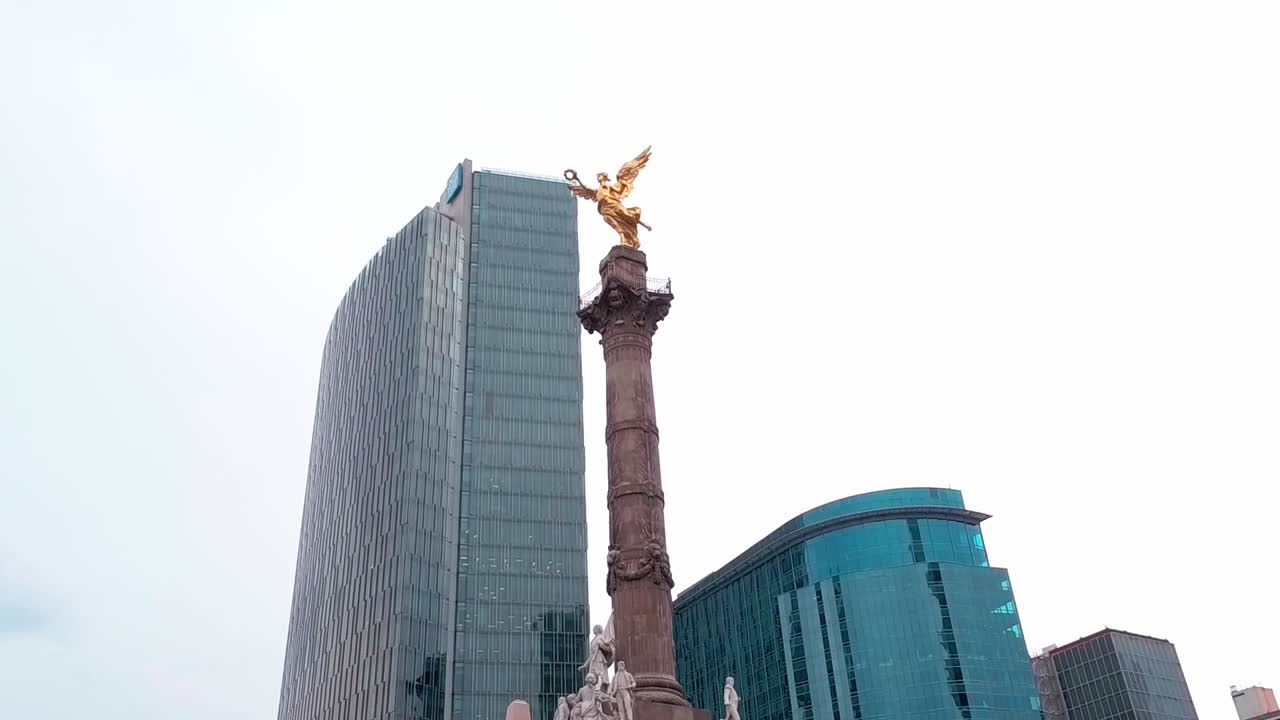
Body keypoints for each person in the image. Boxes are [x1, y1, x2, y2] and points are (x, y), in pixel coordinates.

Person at [578, 623, 614, 689]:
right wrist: (585, 665)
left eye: (594, 629)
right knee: (592, 676)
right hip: (593, 659)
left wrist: (601, 644)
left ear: (598, 629)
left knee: (600, 676)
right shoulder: (593, 640)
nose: (593, 630)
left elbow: (606, 647)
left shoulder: (601, 637)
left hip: (599, 658)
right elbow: (591, 654)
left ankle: (601, 690)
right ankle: (594, 690)